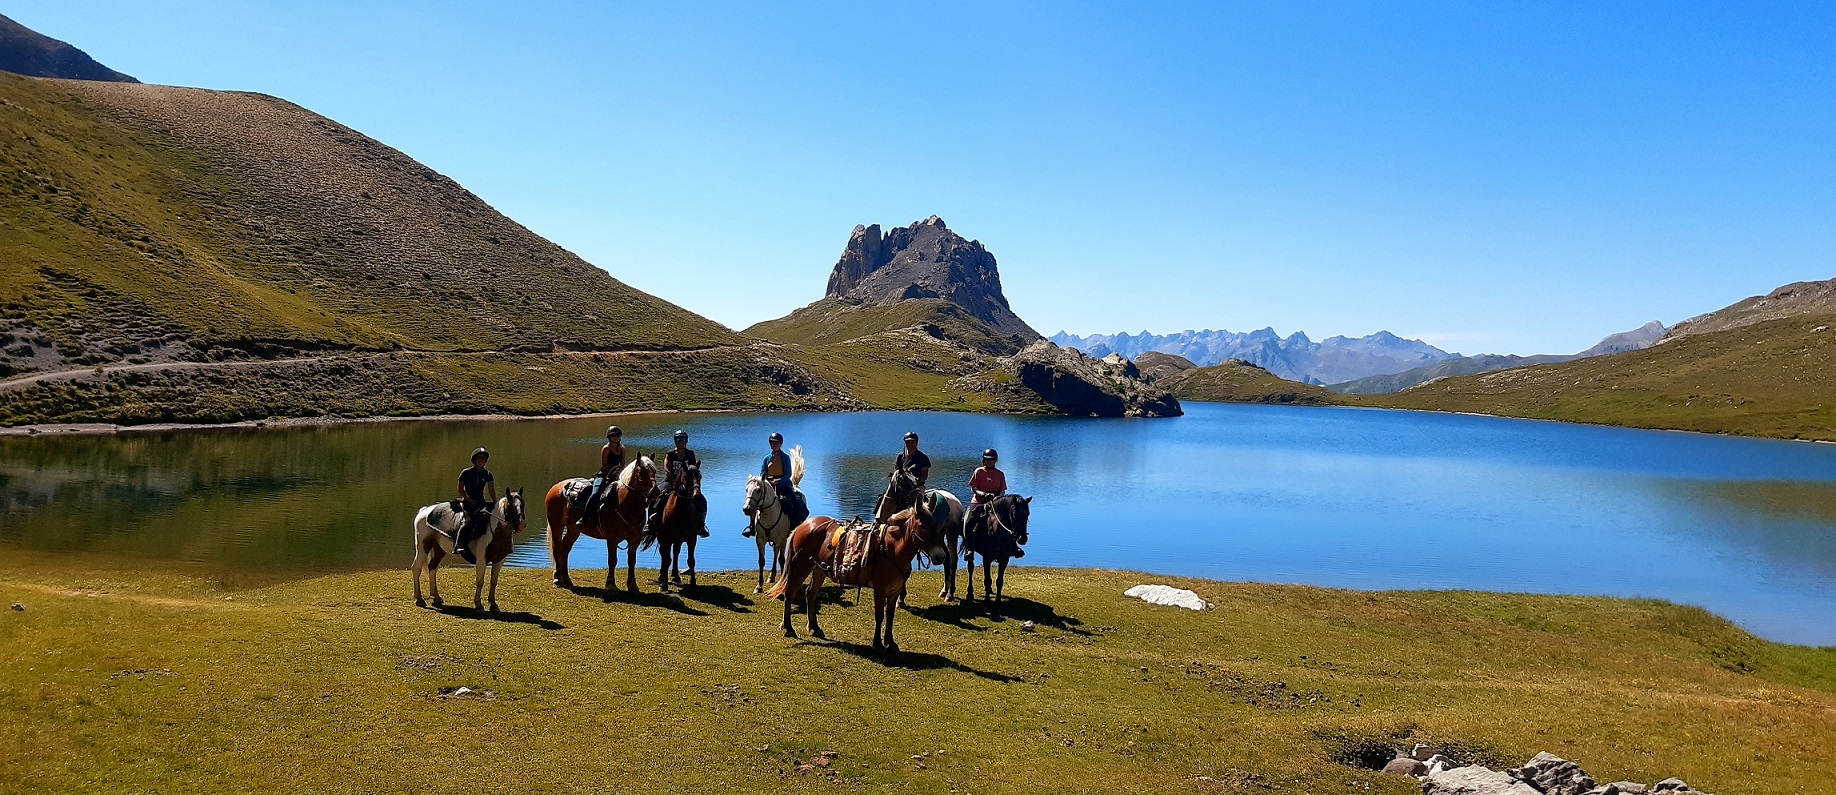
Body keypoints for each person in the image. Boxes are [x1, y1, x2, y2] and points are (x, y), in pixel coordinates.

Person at [746, 432, 808, 537]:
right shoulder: (766, 458)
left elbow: (788, 474)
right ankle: (752, 527)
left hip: (783, 485)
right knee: (754, 502)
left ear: (781, 444)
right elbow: (762, 472)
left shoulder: (785, 458)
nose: (774, 445)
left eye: (777, 443)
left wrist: (779, 480)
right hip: (768, 484)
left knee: (792, 501)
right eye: (773, 443)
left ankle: (795, 523)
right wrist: (767, 480)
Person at [650, 429, 710, 537]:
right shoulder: (670, 454)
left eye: (683, 439)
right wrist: (673, 482)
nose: (681, 442)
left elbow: (693, 469)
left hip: (686, 483)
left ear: (686, 441)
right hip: (670, 482)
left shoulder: (690, 454)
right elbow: (667, 470)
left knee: (702, 501)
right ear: (675, 441)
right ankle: (650, 524)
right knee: (656, 496)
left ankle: (701, 524)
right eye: (678, 439)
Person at [965, 448, 1009, 557]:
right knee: (968, 520)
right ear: (984, 461)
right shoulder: (978, 471)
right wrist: (982, 494)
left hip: (995, 501)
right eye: (988, 460)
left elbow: (1002, 489)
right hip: (979, 500)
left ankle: (1012, 546)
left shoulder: (1000, 474)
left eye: (992, 460)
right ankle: (969, 547)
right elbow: (973, 488)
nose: (990, 462)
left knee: (1009, 519)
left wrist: (998, 498)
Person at [454, 447, 496, 552]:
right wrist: (469, 499)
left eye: (483, 459)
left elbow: (491, 490)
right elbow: (460, 489)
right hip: (468, 501)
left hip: (480, 501)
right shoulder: (466, 472)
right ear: (474, 460)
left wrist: (495, 502)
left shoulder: (487, 474)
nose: (481, 461)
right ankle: (458, 545)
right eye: (479, 459)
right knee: (468, 522)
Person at [581, 426, 625, 525]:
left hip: (617, 476)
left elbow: (622, 464)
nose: (616, 437)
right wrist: (614, 468)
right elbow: (604, 466)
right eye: (613, 435)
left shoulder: (622, 449)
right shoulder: (606, 448)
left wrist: (620, 472)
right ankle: (585, 517)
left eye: (618, 435)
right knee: (595, 494)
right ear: (609, 437)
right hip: (604, 475)